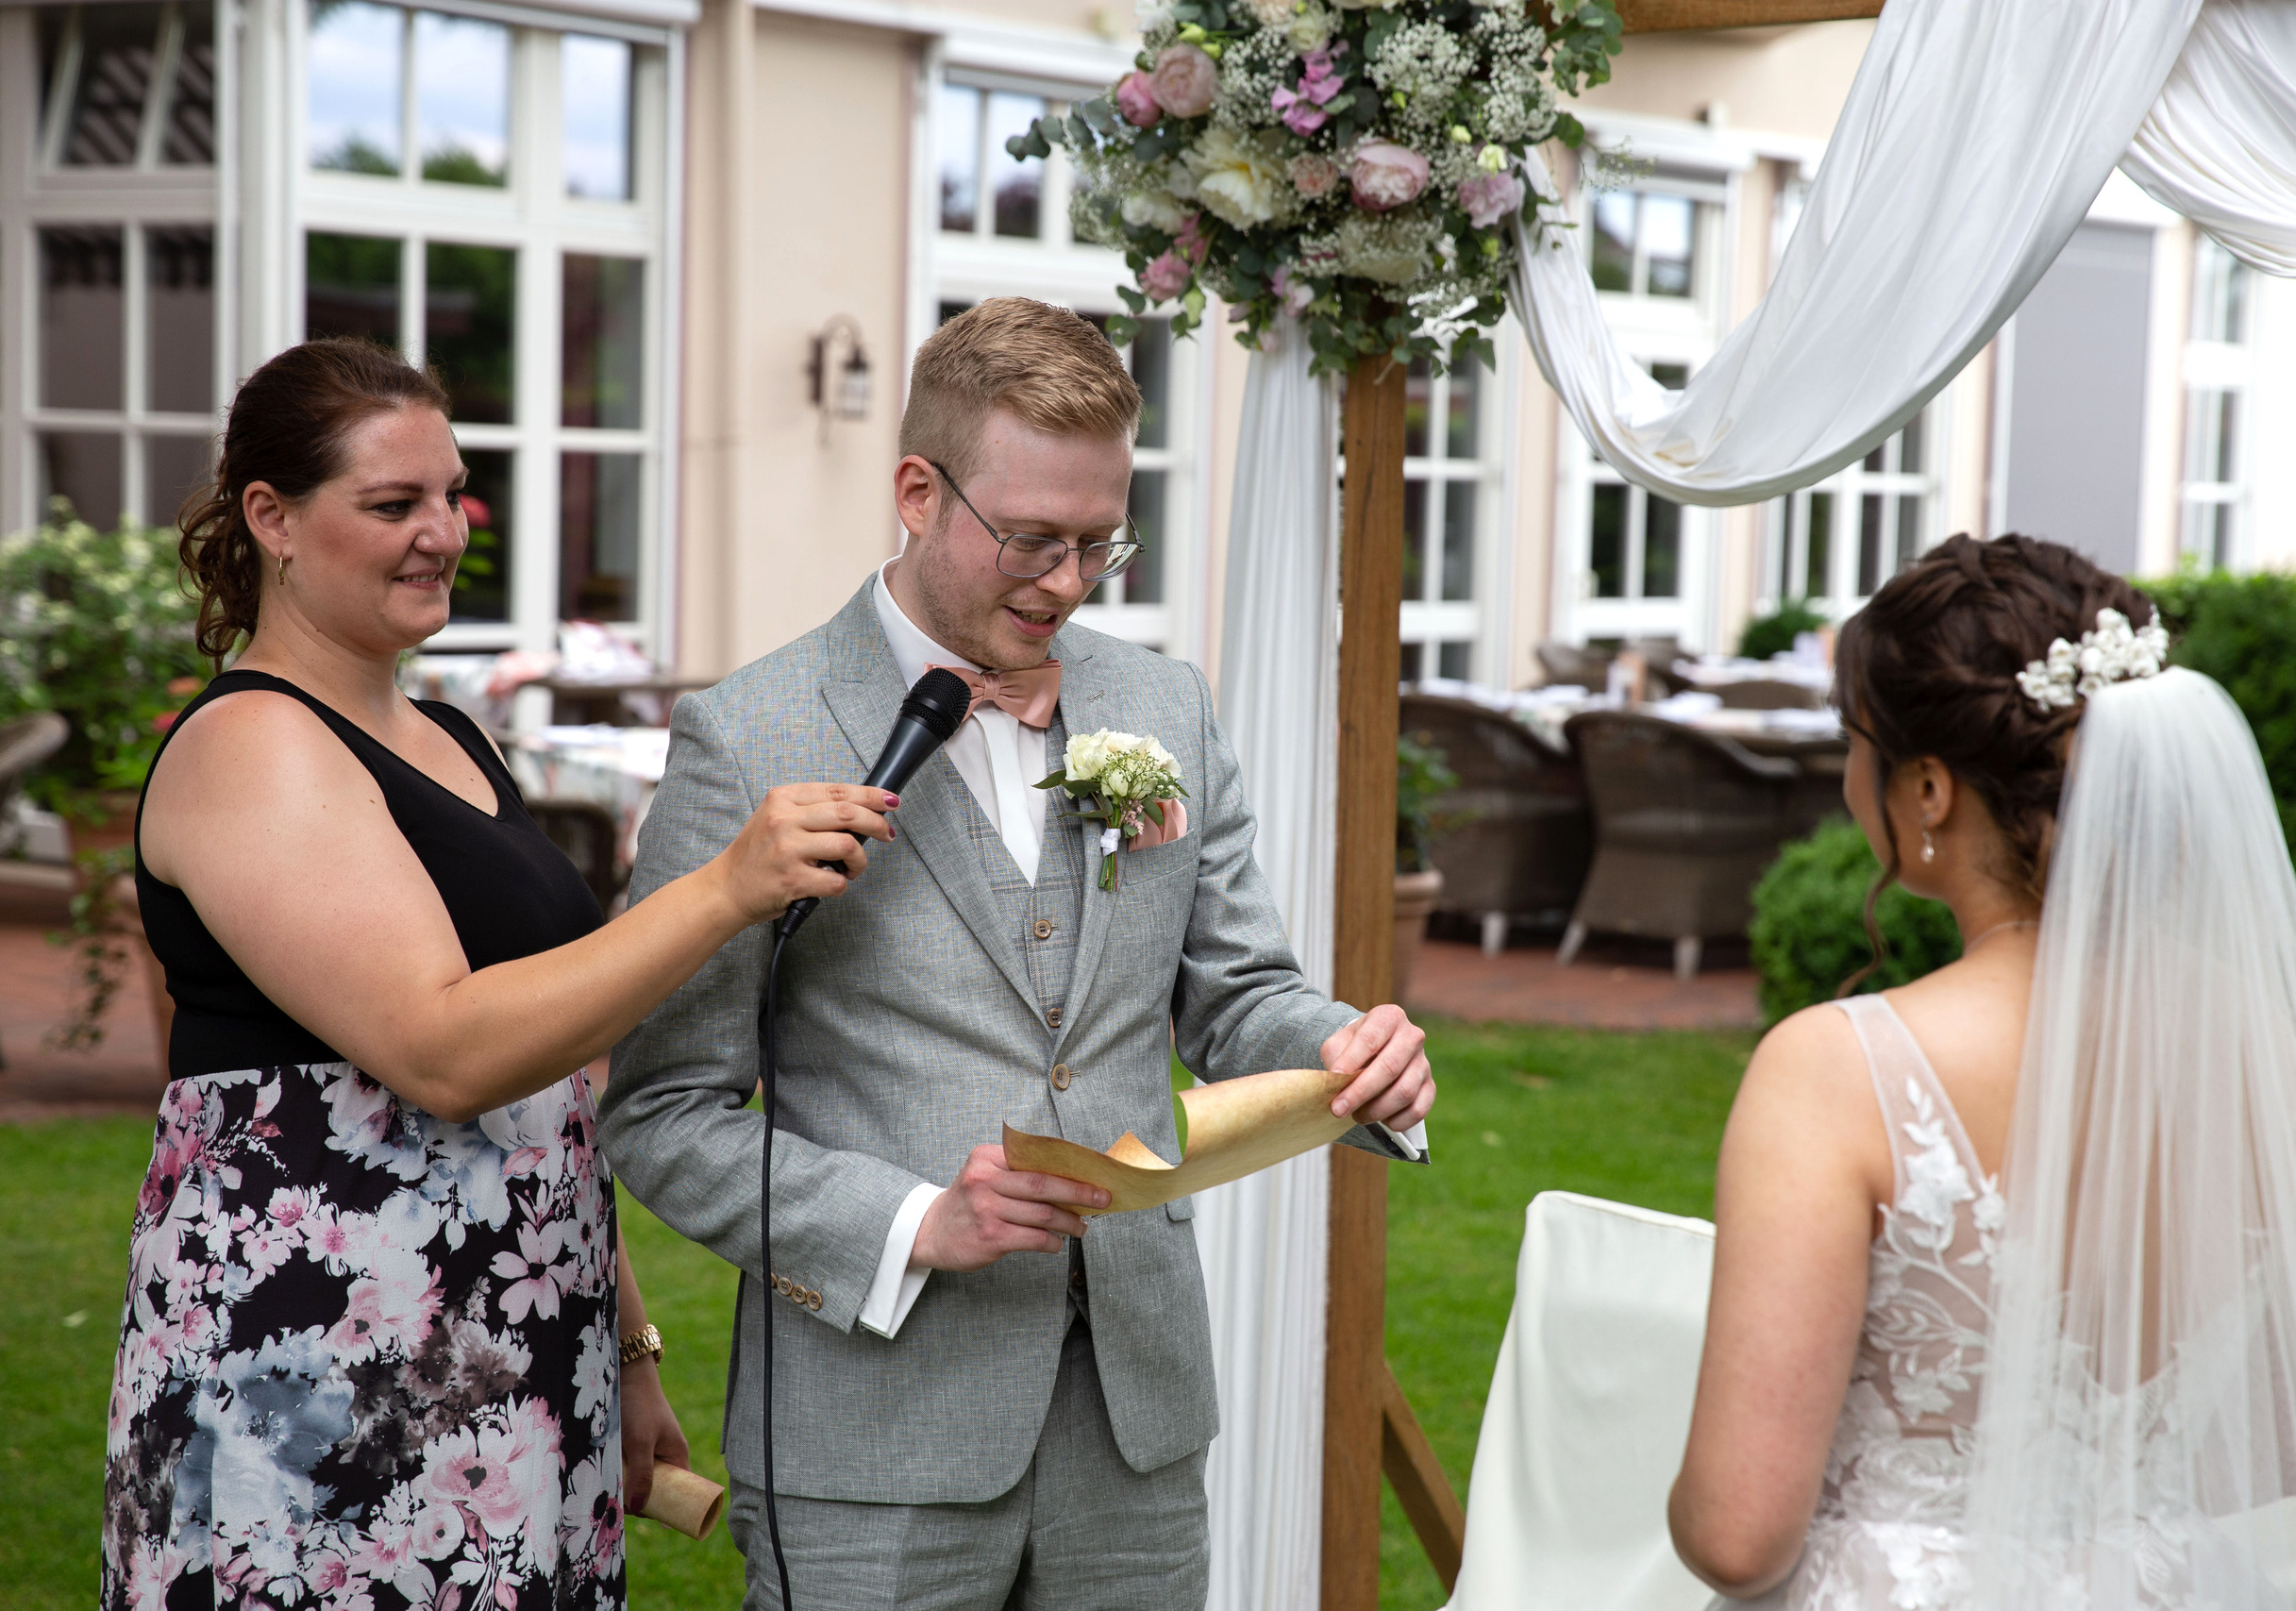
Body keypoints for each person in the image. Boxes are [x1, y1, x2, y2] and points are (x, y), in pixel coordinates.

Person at [598, 296, 1436, 1610]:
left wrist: (1340, 1049)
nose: (1066, 582)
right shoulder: (748, 734)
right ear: (917, 493)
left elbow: (1238, 992)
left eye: (1100, 542)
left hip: (1137, 1427)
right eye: (1032, 539)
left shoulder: (1164, 704)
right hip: (870, 1442)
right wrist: (914, 1223)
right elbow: (660, 1110)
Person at [103, 338, 897, 1610]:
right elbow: (448, 1049)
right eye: (393, 503)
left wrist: (626, 1341)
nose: (442, 532)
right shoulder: (251, 744)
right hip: (327, 1370)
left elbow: (549, 1083)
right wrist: (725, 886)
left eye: (453, 494)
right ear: (271, 518)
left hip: (519, 1335)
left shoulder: (451, 737)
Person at [1667, 533, 2296, 1608]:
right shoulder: (2257, 1040)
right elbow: (2286, 1438)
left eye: (1855, 743)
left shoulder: (1837, 1070)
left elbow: (1738, 1535)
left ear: (1930, 788)